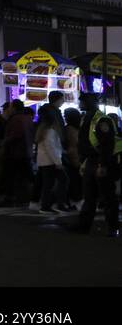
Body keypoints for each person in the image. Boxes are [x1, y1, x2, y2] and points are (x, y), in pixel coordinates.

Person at [75, 95, 120, 237]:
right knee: (90, 196)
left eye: (82, 101)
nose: (79, 103)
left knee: (107, 197)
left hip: (102, 161)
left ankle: (112, 228)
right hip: (92, 161)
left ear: (90, 102)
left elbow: (107, 145)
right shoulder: (87, 117)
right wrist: (85, 162)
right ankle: (83, 226)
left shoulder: (101, 119)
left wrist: (102, 165)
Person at [34, 102, 70, 213]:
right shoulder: (50, 132)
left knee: (48, 184)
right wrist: (58, 162)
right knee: (60, 181)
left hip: (45, 161)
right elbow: (51, 148)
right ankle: (53, 204)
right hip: (51, 161)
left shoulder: (43, 131)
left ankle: (50, 204)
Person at [0, 99, 34, 207]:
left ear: (14, 108)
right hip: (26, 152)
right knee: (25, 176)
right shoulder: (28, 118)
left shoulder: (15, 119)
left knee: (12, 176)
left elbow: (15, 135)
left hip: (15, 153)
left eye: (10, 107)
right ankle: (25, 197)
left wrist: (5, 142)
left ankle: (12, 198)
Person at [63, 107, 82, 206]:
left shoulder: (68, 129)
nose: (64, 118)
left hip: (71, 157)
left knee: (73, 180)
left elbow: (71, 144)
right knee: (77, 180)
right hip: (79, 156)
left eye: (65, 116)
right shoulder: (80, 128)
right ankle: (77, 199)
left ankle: (74, 199)